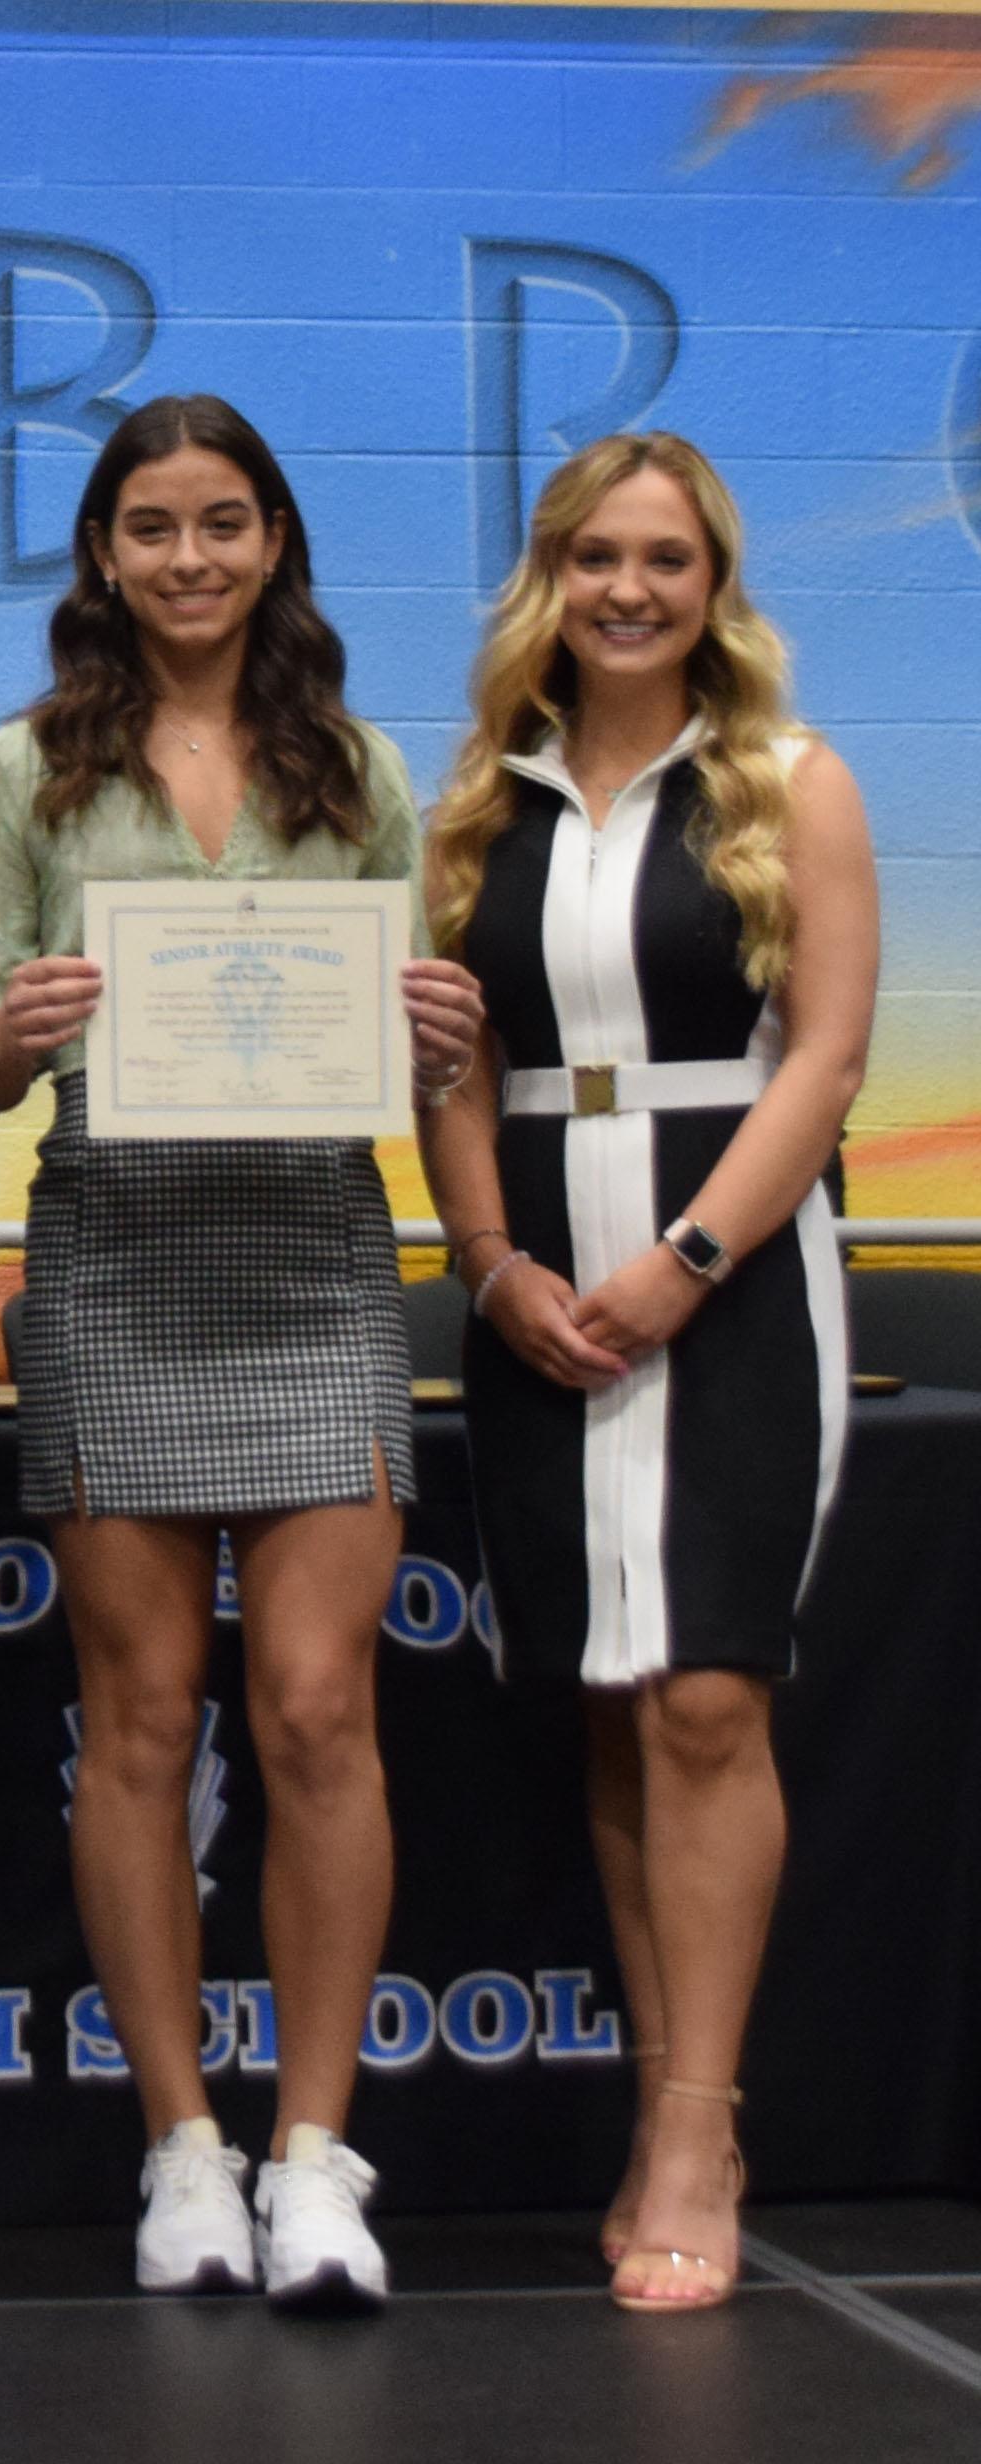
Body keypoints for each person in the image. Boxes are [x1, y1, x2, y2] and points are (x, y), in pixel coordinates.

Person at [0, 394, 484, 2313]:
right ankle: (182, 2149)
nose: (188, 558)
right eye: (151, 527)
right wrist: (20, 1028)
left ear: (274, 541)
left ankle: (314, 2155)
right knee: (143, 1719)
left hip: (316, 1253)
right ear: (102, 554)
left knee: (318, 1712)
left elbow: (415, 1044)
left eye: (222, 522)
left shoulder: (360, 768)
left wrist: (435, 1026)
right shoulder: (26, 771)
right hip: (117, 1259)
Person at [417, 434, 872, 2315]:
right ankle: (660, 2117)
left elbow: (826, 1060)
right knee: (611, 1705)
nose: (628, 590)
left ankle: (697, 2131)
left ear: (713, 585)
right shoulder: (477, 802)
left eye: (665, 560)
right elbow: (454, 1071)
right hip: (537, 1295)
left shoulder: (791, 780)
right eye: (596, 557)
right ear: (551, 576)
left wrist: (687, 1263)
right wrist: (491, 1262)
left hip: (734, 1285)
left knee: (703, 1699)